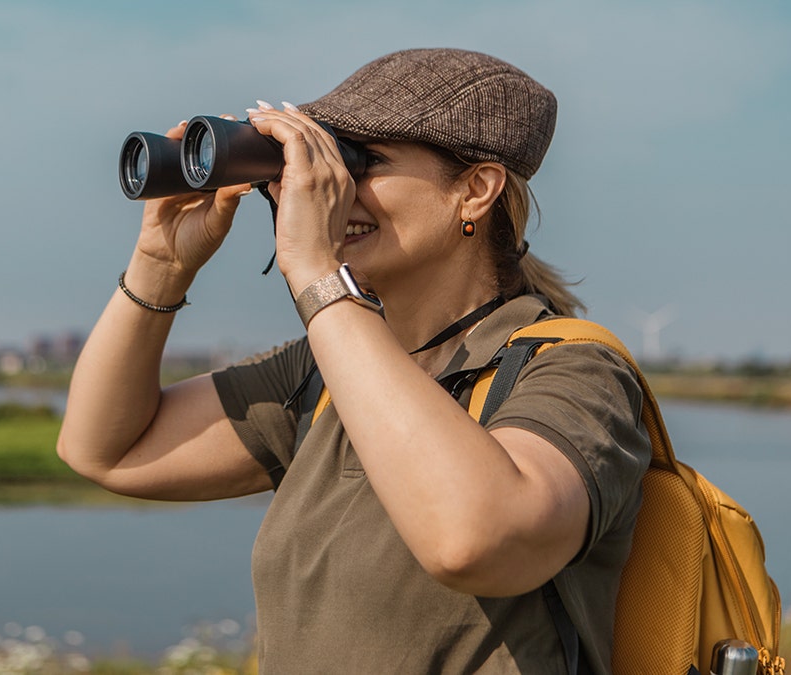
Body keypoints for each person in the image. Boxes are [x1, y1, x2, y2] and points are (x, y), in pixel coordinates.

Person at [56, 48, 650, 674]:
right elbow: (105, 449)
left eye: (359, 162)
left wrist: (317, 273)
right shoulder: (323, 373)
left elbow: (475, 541)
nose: (330, 189)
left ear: (475, 191)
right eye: (318, 161)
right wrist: (161, 264)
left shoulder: (573, 371)